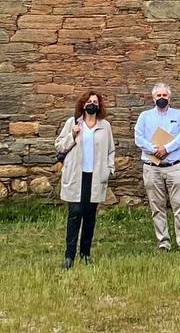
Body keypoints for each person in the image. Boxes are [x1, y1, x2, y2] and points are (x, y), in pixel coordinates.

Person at [55, 90, 116, 270]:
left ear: (99, 106)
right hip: (76, 175)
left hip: (95, 176)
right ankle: (69, 255)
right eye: (89, 101)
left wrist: (109, 169)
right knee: (75, 214)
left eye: (95, 102)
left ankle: (85, 253)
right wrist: (72, 135)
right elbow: (59, 145)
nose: (92, 104)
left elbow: (111, 151)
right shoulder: (72, 123)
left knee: (90, 217)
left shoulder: (105, 126)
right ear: (83, 104)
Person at [134, 81, 180, 252]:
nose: (161, 98)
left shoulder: (179, 115)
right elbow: (139, 137)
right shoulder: (145, 117)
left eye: (164, 95)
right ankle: (163, 242)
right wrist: (155, 150)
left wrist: (167, 148)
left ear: (169, 97)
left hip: (174, 166)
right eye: (158, 95)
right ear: (153, 98)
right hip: (152, 166)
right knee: (157, 206)